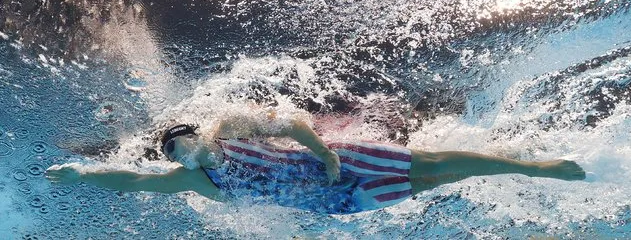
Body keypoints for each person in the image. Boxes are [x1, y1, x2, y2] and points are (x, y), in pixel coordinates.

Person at [46, 111, 586, 214]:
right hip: (337, 198)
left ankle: (531, 168)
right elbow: (131, 183)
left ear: (194, 135)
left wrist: (325, 151)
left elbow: (289, 125)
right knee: (429, 182)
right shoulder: (201, 186)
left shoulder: (230, 129)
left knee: (433, 159)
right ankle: (511, 164)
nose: (178, 154)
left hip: (338, 162)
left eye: (179, 143)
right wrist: (81, 174)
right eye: (170, 155)